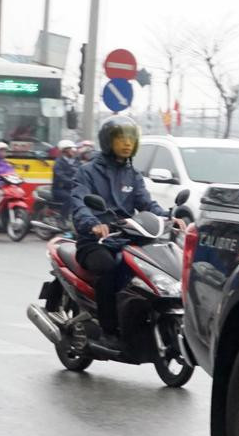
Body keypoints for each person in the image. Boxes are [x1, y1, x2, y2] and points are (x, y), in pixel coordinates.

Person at [71, 116, 177, 351]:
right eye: (121, 138)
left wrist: (169, 217)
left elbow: (147, 204)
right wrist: (92, 223)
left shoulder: (133, 175)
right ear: (108, 141)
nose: (127, 143)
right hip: (95, 240)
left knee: (152, 268)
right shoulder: (87, 172)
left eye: (131, 138)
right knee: (109, 269)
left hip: (126, 236)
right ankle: (108, 331)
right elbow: (79, 203)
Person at [51, 139, 79, 217]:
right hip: (60, 189)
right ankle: (62, 219)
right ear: (65, 150)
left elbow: (82, 172)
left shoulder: (76, 161)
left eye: (74, 149)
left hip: (72, 188)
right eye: (71, 149)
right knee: (71, 198)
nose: (74, 151)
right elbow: (61, 176)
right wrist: (72, 182)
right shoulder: (58, 162)